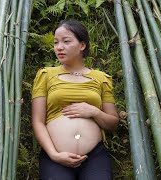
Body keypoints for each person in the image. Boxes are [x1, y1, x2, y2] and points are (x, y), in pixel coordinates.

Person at [32, 19, 119, 180]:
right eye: (56, 42)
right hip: (55, 156)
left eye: (66, 41)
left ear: (82, 45)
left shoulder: (101, 78)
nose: (59, 47)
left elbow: (113, 123)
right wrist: (54, 154)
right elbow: (38, 121)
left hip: (94, 156)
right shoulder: (45, 75)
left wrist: (93, 111)